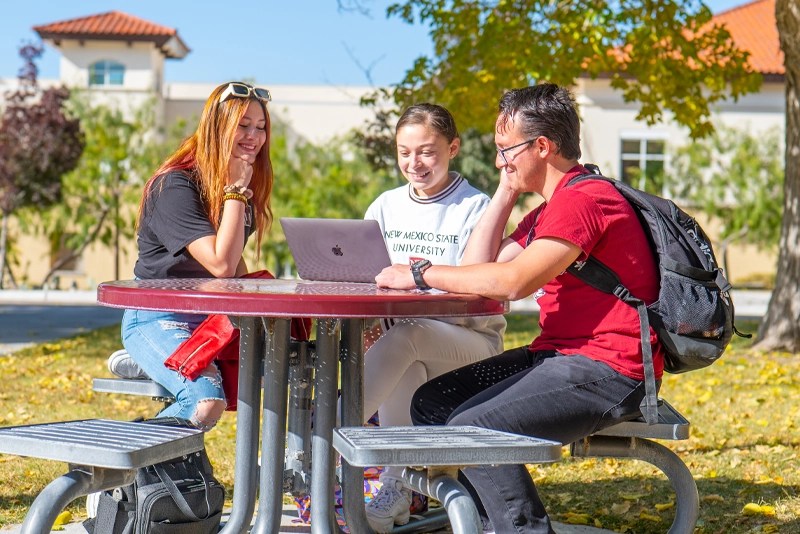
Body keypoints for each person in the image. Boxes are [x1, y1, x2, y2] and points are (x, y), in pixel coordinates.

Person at [375, 83, 664, 534]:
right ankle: (488, 524)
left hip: (610, 370)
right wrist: (506, 192)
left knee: (475, 426)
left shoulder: (587, 199)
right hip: (558, 358)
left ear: (542, 147)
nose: (498, 162)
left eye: (506, 150)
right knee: (433, 402)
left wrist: (420, 273)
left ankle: (524, 529)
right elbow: (478, 268)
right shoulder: (550, 209)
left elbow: (512, 282)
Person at [362, 103, 507, 532]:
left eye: (426, 151)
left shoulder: (476, 207)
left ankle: (327, 434)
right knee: (403, 346)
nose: (414, 163)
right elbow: (367, 276)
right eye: (404, 152)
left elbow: (477, 287)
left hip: (472, 344)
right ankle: (395, 484)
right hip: (404, 340)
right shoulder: (385, 206)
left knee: (407, 336)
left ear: (453, 147)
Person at [121, 81, 274, 432]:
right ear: (216, 127)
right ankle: (118, 469)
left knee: (290, 370)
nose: (254, 136)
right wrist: (236, 191)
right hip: (158, 314)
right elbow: (220, 264)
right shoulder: (176, 185)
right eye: (243, 125)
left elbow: (234, 265)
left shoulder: (234, 183)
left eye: (261, 127)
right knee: (205, 402)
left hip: (210, 319)